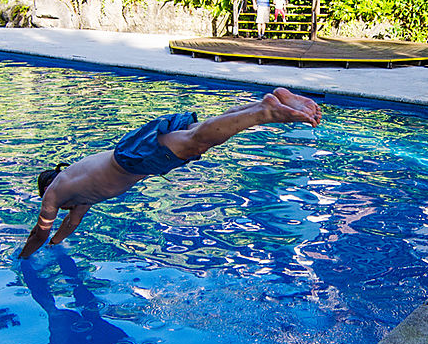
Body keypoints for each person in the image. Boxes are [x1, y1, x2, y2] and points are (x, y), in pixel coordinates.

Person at [19, 88, 321, 258]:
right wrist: (58, 244)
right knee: (195, 133)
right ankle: (264, 104)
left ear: (45, 190)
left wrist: (24, 257)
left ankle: (265, 113)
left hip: (132, 160)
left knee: (196, 142)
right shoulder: (77, 193)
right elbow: (71, 224)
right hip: (131, 153)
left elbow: (40, 231)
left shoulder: (54, 194)